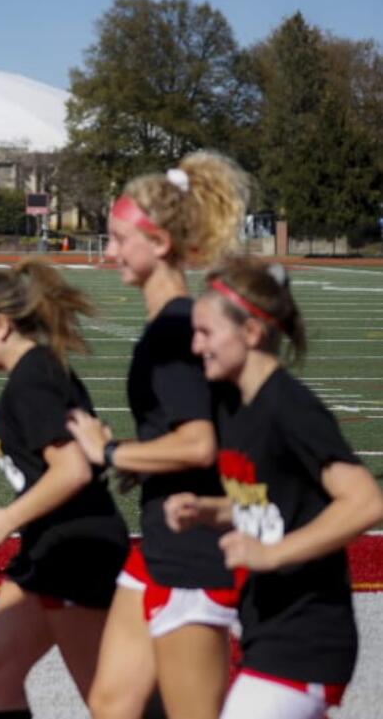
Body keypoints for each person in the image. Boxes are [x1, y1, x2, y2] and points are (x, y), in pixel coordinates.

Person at [67, 150, 250, 719]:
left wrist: (113, 450)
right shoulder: (168, 325)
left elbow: (199, 444)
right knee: (113, 703)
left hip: (193, 549)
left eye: (120, 239)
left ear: (161, 244)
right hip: (160, 543)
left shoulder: (171, 333)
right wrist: (140, 461)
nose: (111, 252)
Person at [166, 257, 383, 719]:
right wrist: (209, 509)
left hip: (307, 637)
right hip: (266, 624)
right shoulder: (235, 405)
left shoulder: (290, 407)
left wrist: (272, 554)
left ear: (250, 333)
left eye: (206, 332)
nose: (195, 344)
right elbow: (274, 503)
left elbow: (365, 501)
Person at [0, 259, 129, 718]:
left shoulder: (33, 379)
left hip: (76, 548)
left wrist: (11, 516)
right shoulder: (39, 371)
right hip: (46, 546)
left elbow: (71, 469)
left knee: (109, 701)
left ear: (2, 325)